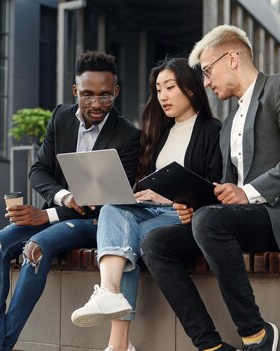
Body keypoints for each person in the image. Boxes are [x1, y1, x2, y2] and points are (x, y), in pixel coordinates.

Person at [141, 25, 280, 351]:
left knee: (210, 221)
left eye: (207, 71)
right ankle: (211, 346)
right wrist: (194, 204)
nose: (205, 82)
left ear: (231, 58)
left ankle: (256, 335)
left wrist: (247, 193)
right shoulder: (228, 124)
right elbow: (225, 189)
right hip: (247, 221)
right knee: (156, 242)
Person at [0, 51, 140, 351]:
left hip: (93, 223)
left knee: (35, 249)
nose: (96, 104)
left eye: (106, 96)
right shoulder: (61, 117)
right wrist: (62, 195)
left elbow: (109, 200)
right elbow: (38, 170)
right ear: (75, 90)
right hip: (59, 212)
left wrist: (48, 215)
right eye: (88, 94)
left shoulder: (129, 136)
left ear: (116, 92)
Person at [70, 57, 223, 351]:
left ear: (190, 90)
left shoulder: (211, 130)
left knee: (123, 243)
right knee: (113, 210)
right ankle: (110, 292)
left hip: (185, 215)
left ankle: (118, 344)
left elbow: (214, 187)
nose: (162, 96)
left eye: (169, 87)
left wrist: (168, 197)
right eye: (158, 89)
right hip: (152, 210)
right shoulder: (160, 133)